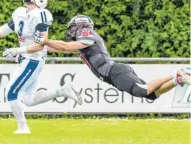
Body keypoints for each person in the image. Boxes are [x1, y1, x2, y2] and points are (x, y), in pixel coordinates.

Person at [0, 0, 82, 134]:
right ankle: (62, 91)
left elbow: (40, 45)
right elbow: (1, 31)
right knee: (28, 99)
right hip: (27, 59)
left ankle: (23, 128)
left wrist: (17, 50)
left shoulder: (40, 15)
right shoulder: (20, 13)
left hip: (33, 59)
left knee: (11, 92)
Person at [34, 15, 191, 100]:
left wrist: (43, 40)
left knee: (145, 90)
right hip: (114, 73)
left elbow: (66, 46)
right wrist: (42, 46)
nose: (70, 32)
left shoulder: (86, 33)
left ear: (78, 26)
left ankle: (176, 74)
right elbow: (63, 49)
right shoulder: (84, 40)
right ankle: (178, 80)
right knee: (152, 94)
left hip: (115, 72)